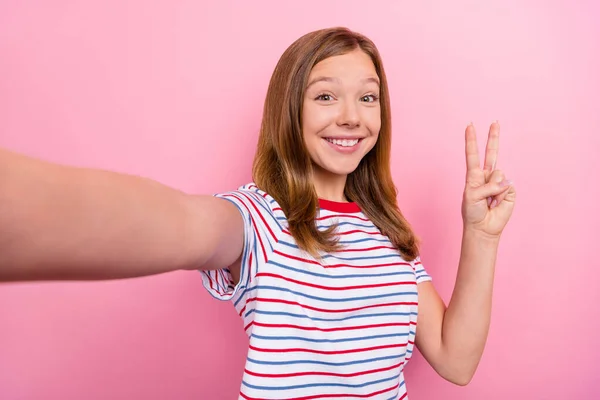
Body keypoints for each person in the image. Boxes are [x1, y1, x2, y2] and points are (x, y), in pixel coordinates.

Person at [0, 27, 516, 399]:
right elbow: (177, 223)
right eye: (326, 96)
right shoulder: (259, 219)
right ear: (290, 109)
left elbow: (456, 359)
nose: (352, 117)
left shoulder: (388, 236)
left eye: (368, 97)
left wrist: (482, 236)